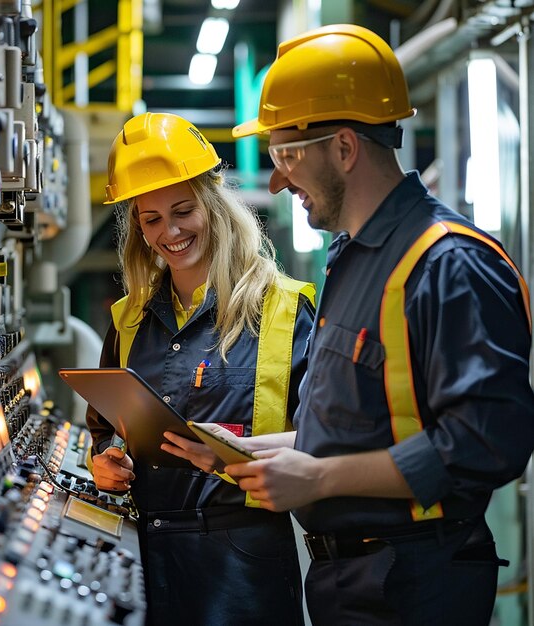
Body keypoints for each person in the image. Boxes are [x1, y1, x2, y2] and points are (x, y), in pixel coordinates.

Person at [172, 23, 534, 625]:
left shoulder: (448, 265)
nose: (277, 180)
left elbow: (484, 444)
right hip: (350, 581)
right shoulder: (350, 259)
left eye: (286, 155)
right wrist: (247, 452)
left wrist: (316, 478)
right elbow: (359, 428)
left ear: (343, 148)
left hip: (414, 583)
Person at [85, 111, 315, 626]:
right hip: (145, 555)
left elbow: (328, 435)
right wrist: (105, 461)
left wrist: (236, 456)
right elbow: (103, 432)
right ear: (138, 228)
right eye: (151, 219)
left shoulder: (281, 309)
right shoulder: (128, 320)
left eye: (183, 210)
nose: (170, 232)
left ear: (213, 204)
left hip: (243, 565)